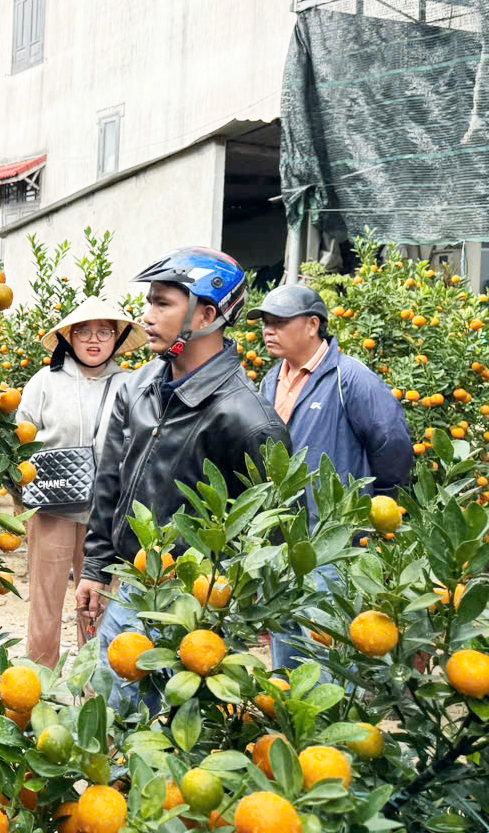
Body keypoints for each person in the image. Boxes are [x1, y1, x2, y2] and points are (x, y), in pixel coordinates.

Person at [73, 247, 290, 709]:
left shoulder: (248, 420)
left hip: (193, 608)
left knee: (170, 735)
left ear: (207, 314)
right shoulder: (137, 387)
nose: (146, 316)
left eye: (162, 304)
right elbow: (109, 479)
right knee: (109, 715)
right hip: (133, 586)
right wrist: (94, 567)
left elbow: (276, 533)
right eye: (149, 301)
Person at [248, 284, 412, 672]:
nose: (268, 331)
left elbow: (392, 442)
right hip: (282, 538)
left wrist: (378, 505)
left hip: (332, 539)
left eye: (279, 322)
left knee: (329, 641)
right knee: (286, 635)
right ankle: (295, 722)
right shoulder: (270, 380)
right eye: (265, 323)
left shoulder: (350, 378)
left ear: (312, 325)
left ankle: (335, 725)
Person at [15, 297, 148, 670]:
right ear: (68, 337)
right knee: (46, 599)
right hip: (53, 506)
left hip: (105, 512)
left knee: (98, 601)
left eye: (104, 331)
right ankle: (40, 682)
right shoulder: (45, 381)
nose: (94, 339)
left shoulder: (129, 384)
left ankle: (94, 687)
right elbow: (18, 436)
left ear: (117, 338)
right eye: (83, 331)